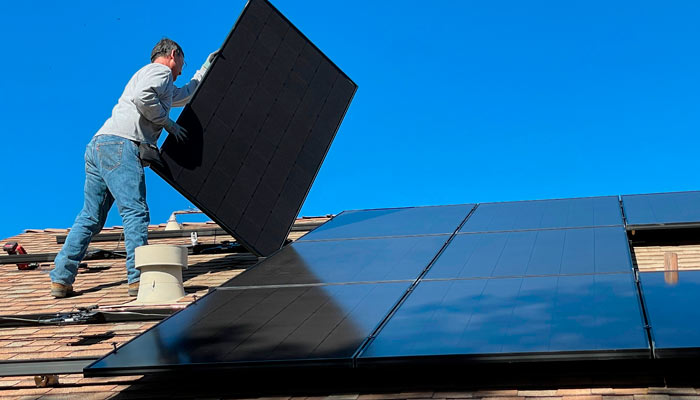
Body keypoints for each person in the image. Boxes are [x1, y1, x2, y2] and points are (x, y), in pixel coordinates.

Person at [50, 38, 217, 298]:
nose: (182, 69)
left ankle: (61, 278)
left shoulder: (151, 77)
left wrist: (205, 68)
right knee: (135, 211)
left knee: (90, 218)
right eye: (183, 63)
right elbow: (143, 98)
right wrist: (168, 124)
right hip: (121, 145)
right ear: (173, 54)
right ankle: (138, 280)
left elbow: (183, 95)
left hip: (99, 145)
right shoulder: (160, 72)